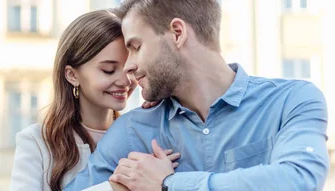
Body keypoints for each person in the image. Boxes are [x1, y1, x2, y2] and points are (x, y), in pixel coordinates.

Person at [65, 0, 329, 190]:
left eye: (136, 47)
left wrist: (169, 184)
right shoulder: (133, 130)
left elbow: (298, 179)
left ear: (177, 33)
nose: (128, 66)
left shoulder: (291, 101)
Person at [9, 10, 180, 191]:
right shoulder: (37, 142)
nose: (125, 82)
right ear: (72, 75)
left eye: (129, 69)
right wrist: (115, 187)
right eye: (108, 70)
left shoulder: (143, 134)